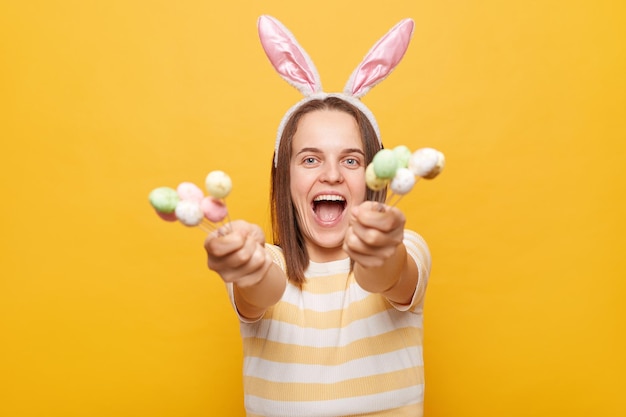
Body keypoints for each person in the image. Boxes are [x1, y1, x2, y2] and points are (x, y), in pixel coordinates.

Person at [204, 15, 432, 417]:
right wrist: (246, 266)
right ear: (284, 178)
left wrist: (382, 251)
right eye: (310, 159)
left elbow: (387, 274)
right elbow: (261, 287)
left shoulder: (406, 247)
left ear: (372, 176)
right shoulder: (269, 263)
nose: (331, 174)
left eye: (350, 159)